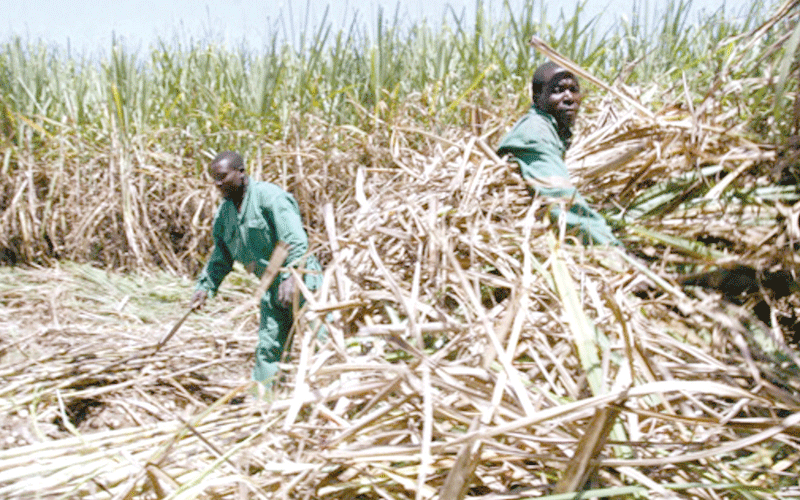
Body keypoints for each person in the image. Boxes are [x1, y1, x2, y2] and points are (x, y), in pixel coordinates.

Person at [190, 151, 323, 388]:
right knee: (269, 345)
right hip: (271, 286)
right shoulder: (225, 214)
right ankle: (264, 404)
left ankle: (339, 392)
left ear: (241, 173)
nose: (217, 184)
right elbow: (221, 257)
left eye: (222, 177)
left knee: (321, 336)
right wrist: (205, 288)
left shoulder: (270, 198)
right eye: (214, 179)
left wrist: (292, 277)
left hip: (302, 279)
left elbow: (295, 240)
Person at [497, 61, 620, 246]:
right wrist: (616, 250)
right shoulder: (535, 134)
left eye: (574, 89)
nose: (569, 97)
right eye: (558, 90)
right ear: (537, 97)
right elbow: (561, 202)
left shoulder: (550, 128)